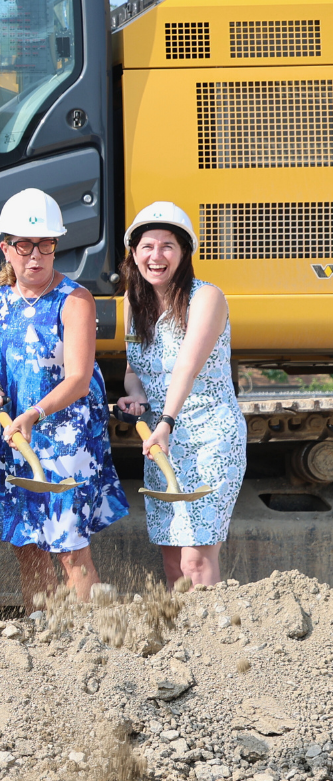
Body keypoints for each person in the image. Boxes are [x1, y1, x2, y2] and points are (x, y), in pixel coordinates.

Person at [0, 189, 128, 609]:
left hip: (67, 437)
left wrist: (34, 413)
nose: (35, 256)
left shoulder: (74, 300)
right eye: (24, 246)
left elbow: (79, 378)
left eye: (45, 245)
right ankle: (44, 635)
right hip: (17, 436)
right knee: (26, 543)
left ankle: (92, 641)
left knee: (69, 548)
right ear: (7, 248)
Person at [118, 201, 243, 588]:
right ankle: (186, 647)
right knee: (173, 563)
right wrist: (135, 396)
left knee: (196, 563)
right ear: (134, 253)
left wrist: (166, 420)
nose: (156, 256)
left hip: (208, 438)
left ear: (184, 252)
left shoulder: (206, 297)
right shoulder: (133, 301)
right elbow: (133, 370)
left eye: (167, 246)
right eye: (147, 246)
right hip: (162, 443)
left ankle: (214, 644)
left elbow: (186, 366)